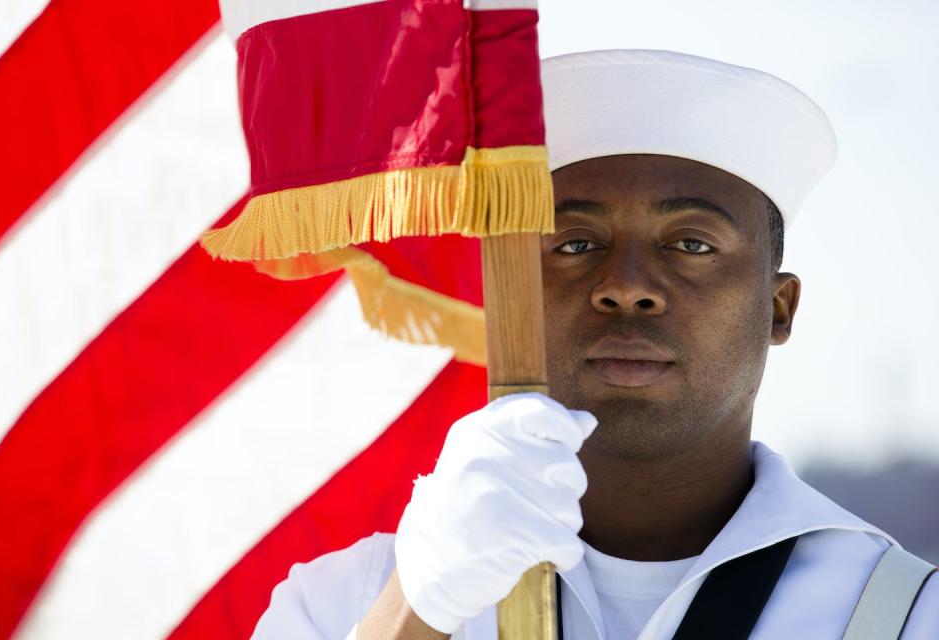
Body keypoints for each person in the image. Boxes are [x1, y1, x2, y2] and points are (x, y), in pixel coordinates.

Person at [252, 50, 938, 639]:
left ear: (778, 309)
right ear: (509, 300)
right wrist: (417, 611)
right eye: (576, 244)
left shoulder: (907, 614)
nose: (628, 286)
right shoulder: (348, 600)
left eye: (692, 244)